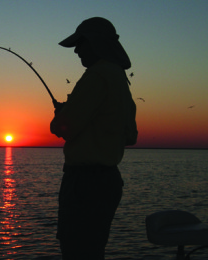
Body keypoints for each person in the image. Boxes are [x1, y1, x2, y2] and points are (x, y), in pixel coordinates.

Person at [50, 17, 137, 259]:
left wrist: (61, 116)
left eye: (81, 43)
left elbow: (63, 128)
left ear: (96, 43)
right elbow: (130, 136)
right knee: (93, 250)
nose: (76, 50)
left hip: (84, 184)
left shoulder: (96, 75)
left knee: (76, 250)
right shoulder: (120, 78)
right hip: (108, 183)